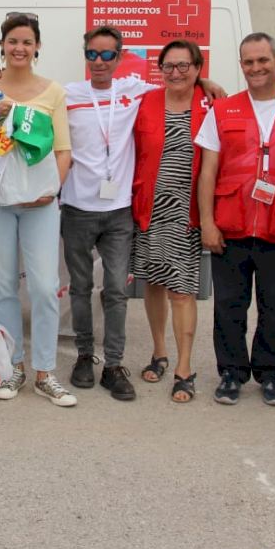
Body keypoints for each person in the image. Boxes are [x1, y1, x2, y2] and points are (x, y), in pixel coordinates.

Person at [62, 27, 224, 400]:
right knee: (83, 288)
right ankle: (85, 356)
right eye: (92, 54)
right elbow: (29, 96)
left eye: (107, 54)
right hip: (83, 208)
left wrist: (206, 82)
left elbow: (182, 84)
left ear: (120, 58)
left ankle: (114, 364)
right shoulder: (69, 94)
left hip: (124, 211)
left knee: (118, 290)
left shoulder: (137, 91)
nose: (99, 61)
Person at [0, 12, 75, 406]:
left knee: (44, 287)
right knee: (4, 285)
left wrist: (50, 190)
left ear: (37, 46)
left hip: (39, 202)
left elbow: (63, 150)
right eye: (13, 41)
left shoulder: (52, 92)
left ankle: (45, 372)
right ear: (2, 45)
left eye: (27, 42)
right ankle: (13, 367)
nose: (19, 48)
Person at [196, 33, 275, 407]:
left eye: (263, 60)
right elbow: (208, 171)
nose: (256, 68)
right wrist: (207, 223)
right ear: (241, 65)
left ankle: (269, 371)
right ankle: (231, 372)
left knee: (274, 307)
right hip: (231, 226)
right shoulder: (223, 110)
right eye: (248, 62)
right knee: (228, 306)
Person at [131, 40, 210, 403]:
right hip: (150, 209)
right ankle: (159, 352)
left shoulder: (212, 103)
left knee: (182, 290)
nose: (175, 73)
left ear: (198, 68)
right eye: (168, 66)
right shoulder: (146, 101)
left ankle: (184, 367)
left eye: (183, 66)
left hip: (187, 213)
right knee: (153, 283)